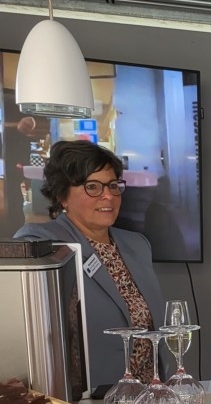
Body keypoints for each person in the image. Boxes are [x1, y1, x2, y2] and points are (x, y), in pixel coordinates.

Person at [14, 140, 166, 389]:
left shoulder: (137, 245)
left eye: (113, 185)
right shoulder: (42, 243)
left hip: (149, 396)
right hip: (87, 399)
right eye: (92, 186)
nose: (108, 195)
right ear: (62, 195)